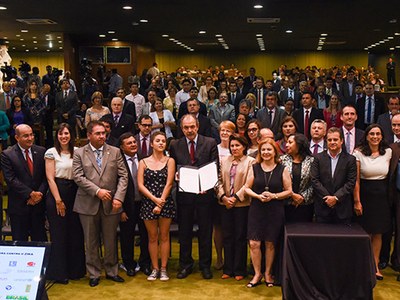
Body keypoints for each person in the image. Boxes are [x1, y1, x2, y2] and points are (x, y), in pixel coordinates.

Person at [73, 120, 128, 287]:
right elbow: (78, 176)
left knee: (111, 240)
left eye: (104, 133)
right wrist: (97, 191)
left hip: (111, 204)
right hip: (87, 203)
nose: (102, 136)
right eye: (98, 133)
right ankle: (94, 273)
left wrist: (118, 198)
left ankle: (112, 271)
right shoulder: (79, 153)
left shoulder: (115, 151)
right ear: (89, 135)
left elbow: (124, 176)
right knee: (91, 241)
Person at [169, 114, 219, 280]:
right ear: (182, 129)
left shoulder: (210, 142)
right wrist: (176, 175)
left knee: (205, 232)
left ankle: (205, 266)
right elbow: (173, 167)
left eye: (192, 127)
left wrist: (207, 184)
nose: (189, 130)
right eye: (186, 128)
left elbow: (214, 167)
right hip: (185, 196)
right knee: (184, 233)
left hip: (205, 196)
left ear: (197, 126)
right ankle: (185, 265)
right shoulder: (175, 145)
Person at [244, 138, 292, 287]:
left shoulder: (282, 168)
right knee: (254, 243)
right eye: (263, 149)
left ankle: (268, 273)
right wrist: (258, 196)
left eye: (269, 149)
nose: (266, 152)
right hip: (257, 209)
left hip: (274, 209)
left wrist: (274, 196)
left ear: (275, 151)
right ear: (260, 152)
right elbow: (246, 187)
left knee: (270, 243)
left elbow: (289, 191)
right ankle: (257, 274)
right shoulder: (255, 167)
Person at [44, 123, 85, 284]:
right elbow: (49, 178)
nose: (64, 136)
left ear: (71, 135)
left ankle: (76, 271)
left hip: (75, 193)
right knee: (59, 234)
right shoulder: (51, 152)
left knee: (75, 233)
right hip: (57, 193)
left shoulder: (77, 152)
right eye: (61, 134)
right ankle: (59, 273)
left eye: (66, 133)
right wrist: (58, 200)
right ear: (57, 136)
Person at [353, 124, 392, 280]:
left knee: (378, 233)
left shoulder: (388, 152)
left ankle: (375, 266)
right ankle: (363, 265)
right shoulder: (358, 153)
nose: (375, 137)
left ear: (382, 136)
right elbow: (356, 180)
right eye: (372, 134)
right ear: (367, 136)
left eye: (378, 134)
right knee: (365, 233)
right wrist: (357, 201)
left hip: (382, 197)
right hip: (364, 195)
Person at [138, 131, 176, 281]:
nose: (161, 143)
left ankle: (164, 269)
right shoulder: (143, 162)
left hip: (165, 201)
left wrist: (160, 202)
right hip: (148, 202)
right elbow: (140, 185)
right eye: (158, 141)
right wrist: (154, 200)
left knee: (165, 236)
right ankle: (155, 268)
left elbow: (169, 183)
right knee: (152, 237)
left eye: (163, 141)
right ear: (152, 144)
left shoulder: (170, 161)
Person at [216, 134, 255, 280]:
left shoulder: (250, 161)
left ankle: (239, 270)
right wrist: (223, 197)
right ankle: (228, 268)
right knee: (227, 236)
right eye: (232, 146)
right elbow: (218, 180)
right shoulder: (224, 160)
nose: (234, 148)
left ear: (244, 146)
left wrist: (235, 197)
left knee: (240, 237)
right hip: (224, 204)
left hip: (242, 204)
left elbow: (249, 183)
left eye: (237, 145)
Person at [1, 124, 48, 241]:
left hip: (38, 208)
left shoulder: (41, 151)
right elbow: (10, 179)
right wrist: (31, 194)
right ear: (17, 138)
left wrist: (39, 194)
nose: (30, 138)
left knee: (40, 242)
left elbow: (46, 177)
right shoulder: (7, 155)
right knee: (20, 244)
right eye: (26, 136)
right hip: (19, 208)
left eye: (32, 135)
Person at [118, 133, 151, 277]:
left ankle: (145, 263)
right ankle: (128, 264)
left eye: (133, 142)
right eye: (129, 143)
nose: (133, 145)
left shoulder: (144, 159)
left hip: (144, 204)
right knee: (127, 236)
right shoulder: (117, 161)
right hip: (126, 206)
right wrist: (120, 209)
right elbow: (114, 186)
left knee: (146, 235)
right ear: (121, 147)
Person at [311, 127, 357, 224]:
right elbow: (314, 180)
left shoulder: (350, 160)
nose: (332, 142)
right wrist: (327, 197)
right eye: (329, 140)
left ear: (341, 141)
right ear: (326, 141)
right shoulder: (317, 158)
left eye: (335, 139)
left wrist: (336, 198)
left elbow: (351, 182)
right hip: (322, 208)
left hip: (342, 209)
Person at [214, 120, 236, 270]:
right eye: (222, 130)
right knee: (218, 228)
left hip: (235, 196)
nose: (224, 133)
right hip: (218, 193)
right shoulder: (213, 149)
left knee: (234, 228)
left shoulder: (237, 148)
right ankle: (219, 258)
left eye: (228, 131)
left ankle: (232, 259)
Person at [281, 133, 314, 222]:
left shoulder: (312, 161)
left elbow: (315, 182)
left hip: (305, 205)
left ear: (299, 144)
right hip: (285, 204)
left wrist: (302, 197)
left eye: (290, 142)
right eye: (286, 142)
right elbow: (278, 181)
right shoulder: (281, 160)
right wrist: (292, 195)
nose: (286, 145)